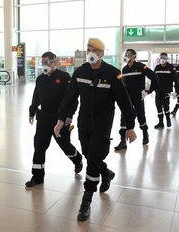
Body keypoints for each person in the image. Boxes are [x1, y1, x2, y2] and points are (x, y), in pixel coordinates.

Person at [54, 38, 137, 221]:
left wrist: (130, 127)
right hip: (84, 122)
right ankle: (106, 173)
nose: (90, 52)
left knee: (92, 161)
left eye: (94, 50)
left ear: (101, 53)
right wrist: (61, 119)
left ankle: (86, 201)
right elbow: (69, 98)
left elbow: (125, 102)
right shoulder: (80, 72)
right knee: (89, 155)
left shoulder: (113, 74)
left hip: (102, 123)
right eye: (88, 49)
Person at [25, 51, 83, 187]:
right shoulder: (40, 79)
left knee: (65, 145)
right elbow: (36, 97)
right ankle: (37, 176)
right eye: (43, 63)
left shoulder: (64, 78)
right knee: (39, 146)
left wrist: (69, 116)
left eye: (48, 62)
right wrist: (32, 112)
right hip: (44, 118)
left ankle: (77, 159)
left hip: (60, 119)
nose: (45, 65)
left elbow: (73, 100)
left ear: (55, 62)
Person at [114, 48, 159, 149]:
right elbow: (122, 83)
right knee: (124, 118)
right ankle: (122, 141)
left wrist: (148, 91)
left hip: (138, 97)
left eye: (129, 54)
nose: (126, 55)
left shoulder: (140, 66)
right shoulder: (124, 70)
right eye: (125, 54)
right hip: (127, 98)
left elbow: (154, 76)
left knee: (140, 116)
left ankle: (145, 134)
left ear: (134, 57)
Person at [154, 52, 179, 128]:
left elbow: (176, 80)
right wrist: (150, 89)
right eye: (161, 58)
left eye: (164, 58)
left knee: (165, 106)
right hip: (158, 91)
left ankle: (168, 120)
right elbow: (154, 79)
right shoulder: (157, 67)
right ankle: (160, 122)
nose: (162, 59)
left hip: (167, 90)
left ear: (167, 59)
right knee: (158, 106)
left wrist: (177, 91)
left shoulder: (171, 67)